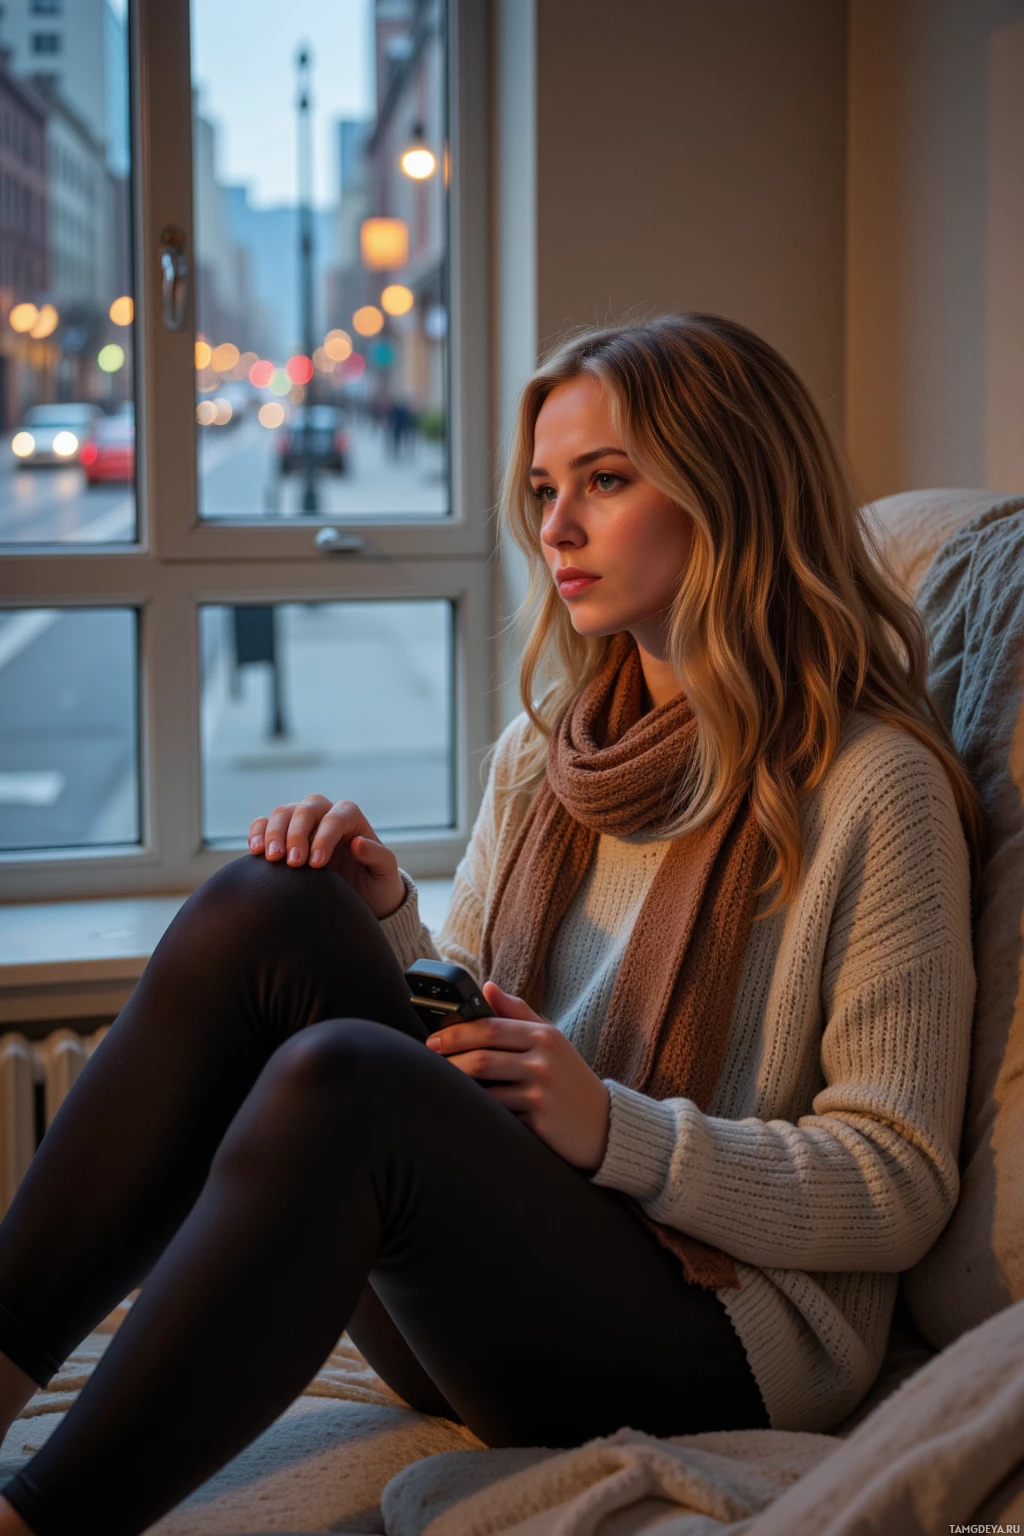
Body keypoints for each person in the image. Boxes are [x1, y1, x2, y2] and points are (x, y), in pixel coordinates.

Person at [0, 315, 980, 1536]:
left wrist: (614, 1133)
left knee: (345, 1081)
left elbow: (899, 1184)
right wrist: (389, 927)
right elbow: (486, 1031)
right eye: (543, 490)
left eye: (606, 481)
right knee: (274, 900)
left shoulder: (872, 786)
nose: (555, 528)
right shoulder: (548, 756)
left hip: (720, 1336)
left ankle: (43, 1522)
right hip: (504, 1272)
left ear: (734, 488)